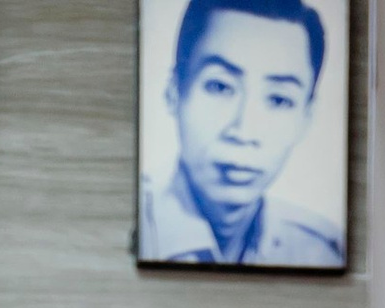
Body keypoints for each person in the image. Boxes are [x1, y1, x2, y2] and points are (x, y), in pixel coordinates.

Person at [140, 0, 343, 269]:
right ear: (174, 92)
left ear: (306, 117)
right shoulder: (136, 228)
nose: (244, 131)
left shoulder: (322, 252)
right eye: (220, 86)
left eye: (279, 100)